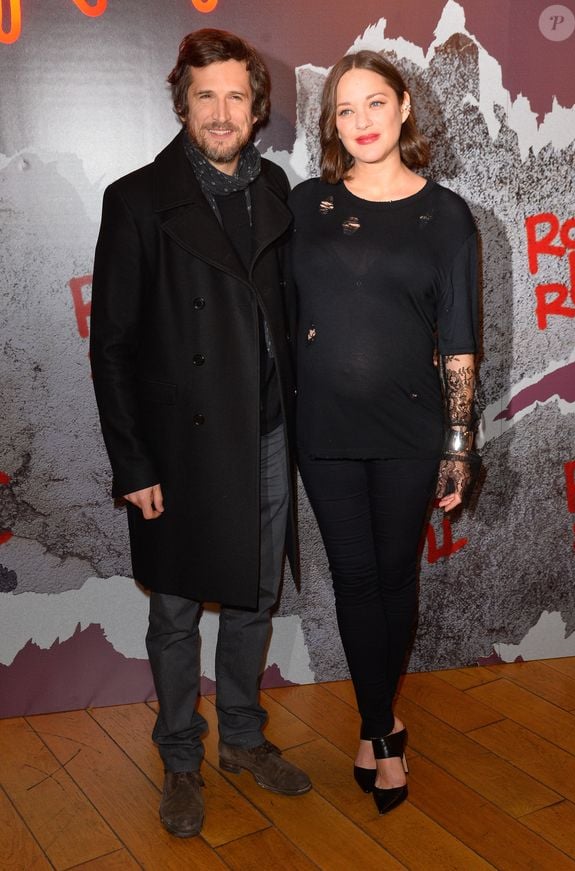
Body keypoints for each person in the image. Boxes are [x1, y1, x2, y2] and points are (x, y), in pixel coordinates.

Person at [90, 28, 311, 839]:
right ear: (182, 101)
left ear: (257, 110)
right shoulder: (138, 198)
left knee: (254, 595)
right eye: (205, 95)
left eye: (236, 97)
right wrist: (132, 461)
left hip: (265, 434)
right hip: (178, 449)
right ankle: (181, 756)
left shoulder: (278, 187)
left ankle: (244, 738)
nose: (221, 113)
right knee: (176, 610)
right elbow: (110, 345)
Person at [290, 51, 479, 815]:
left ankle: (375, 730)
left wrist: (460, 443)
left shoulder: (447, 214)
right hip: (323, 426)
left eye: (375, 103)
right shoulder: (306, 205)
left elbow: (460, 338)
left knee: (396, 578)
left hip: (409, 427)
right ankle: (382, 725)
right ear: (332, 123)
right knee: (353, 576)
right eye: (345, 109)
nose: (362, 121)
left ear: (404, 107)